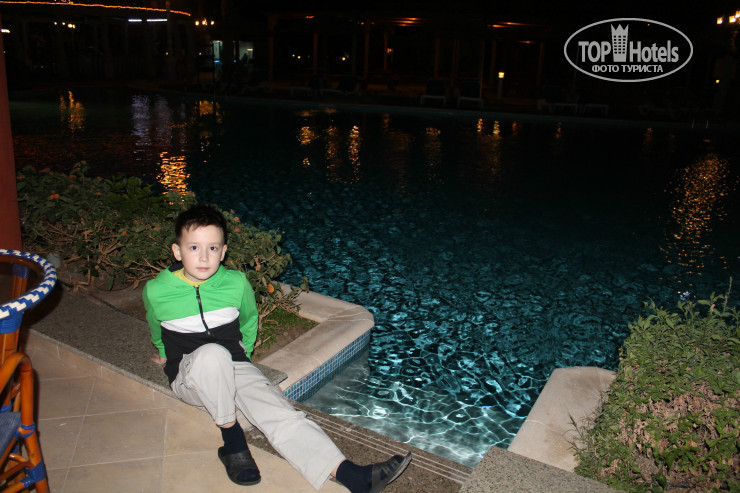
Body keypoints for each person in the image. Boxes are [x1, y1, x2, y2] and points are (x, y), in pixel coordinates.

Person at [143, 204, 411, 492]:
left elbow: (249, 320)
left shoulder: (235, 283)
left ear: (223, 252)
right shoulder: (157, 291)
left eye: (213, 248)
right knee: (212, 354)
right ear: (177, 251)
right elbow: (157, 327)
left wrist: (243, 356)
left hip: (233, 365)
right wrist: (164, 354)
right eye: (194, 247)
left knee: (279, 411)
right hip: (190, 377)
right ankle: (233, 441)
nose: (204, 257)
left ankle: (352, 476)